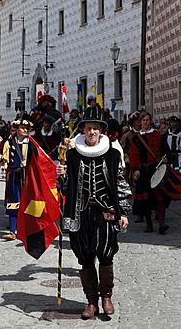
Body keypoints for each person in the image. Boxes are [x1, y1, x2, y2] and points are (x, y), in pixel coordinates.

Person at [57, 109, 131, 319]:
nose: (92, 132)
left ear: (101, 131)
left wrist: (123, 212)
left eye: (96, 128)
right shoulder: (71, 155)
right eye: (88, 128)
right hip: (80, 213)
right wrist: (61, 177)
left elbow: (120, 184)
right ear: (83, 129)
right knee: (85, 256)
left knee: (106, 254)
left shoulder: (113, 155)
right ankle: (91, 302)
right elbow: (64, 189)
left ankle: (106, 296)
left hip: (105, 212)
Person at [129, 111, 168, 234]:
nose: (145, 122)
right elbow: (134, 155)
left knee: (160, 198)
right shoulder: (136, 138)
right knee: (146, 199)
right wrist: (136, 169)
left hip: (156, 170)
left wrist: (166, 158)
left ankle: (162, 224)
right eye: (143, 120)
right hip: (144, 172)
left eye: (147, 120)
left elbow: (166, 151)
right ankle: (149, 224)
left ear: (151, 121)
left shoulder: (158, 135)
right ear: (140, 122)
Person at [1, 116, 33, 240]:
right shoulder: (9, 143)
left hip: (27, 176)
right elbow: (4, 158)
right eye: (23, 128)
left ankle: (26, 230)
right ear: (17, 129)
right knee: (13, 202)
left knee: (28, 202)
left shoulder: (31, 143)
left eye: (27, 129)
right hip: (14, 175)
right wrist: (0, 159)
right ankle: (13, 231)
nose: (25, 130)